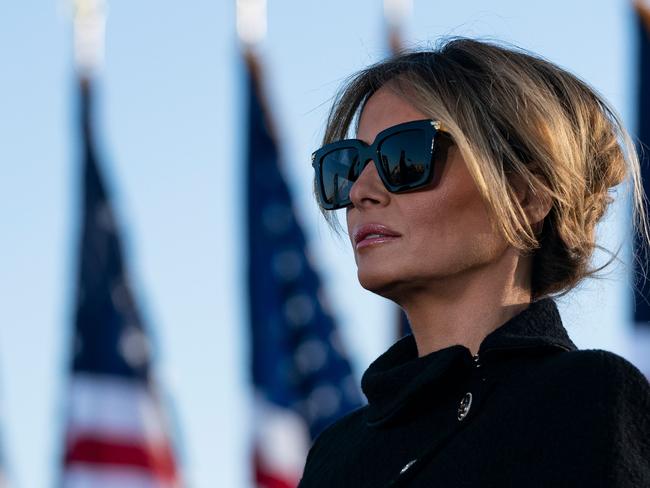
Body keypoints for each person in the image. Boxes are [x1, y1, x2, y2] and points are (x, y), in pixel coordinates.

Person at [298, 38, 650, 487]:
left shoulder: (584, 397)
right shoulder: (334, 454)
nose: (359, 191)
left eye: (405, 156)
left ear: (526, 194)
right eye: (347, 165)